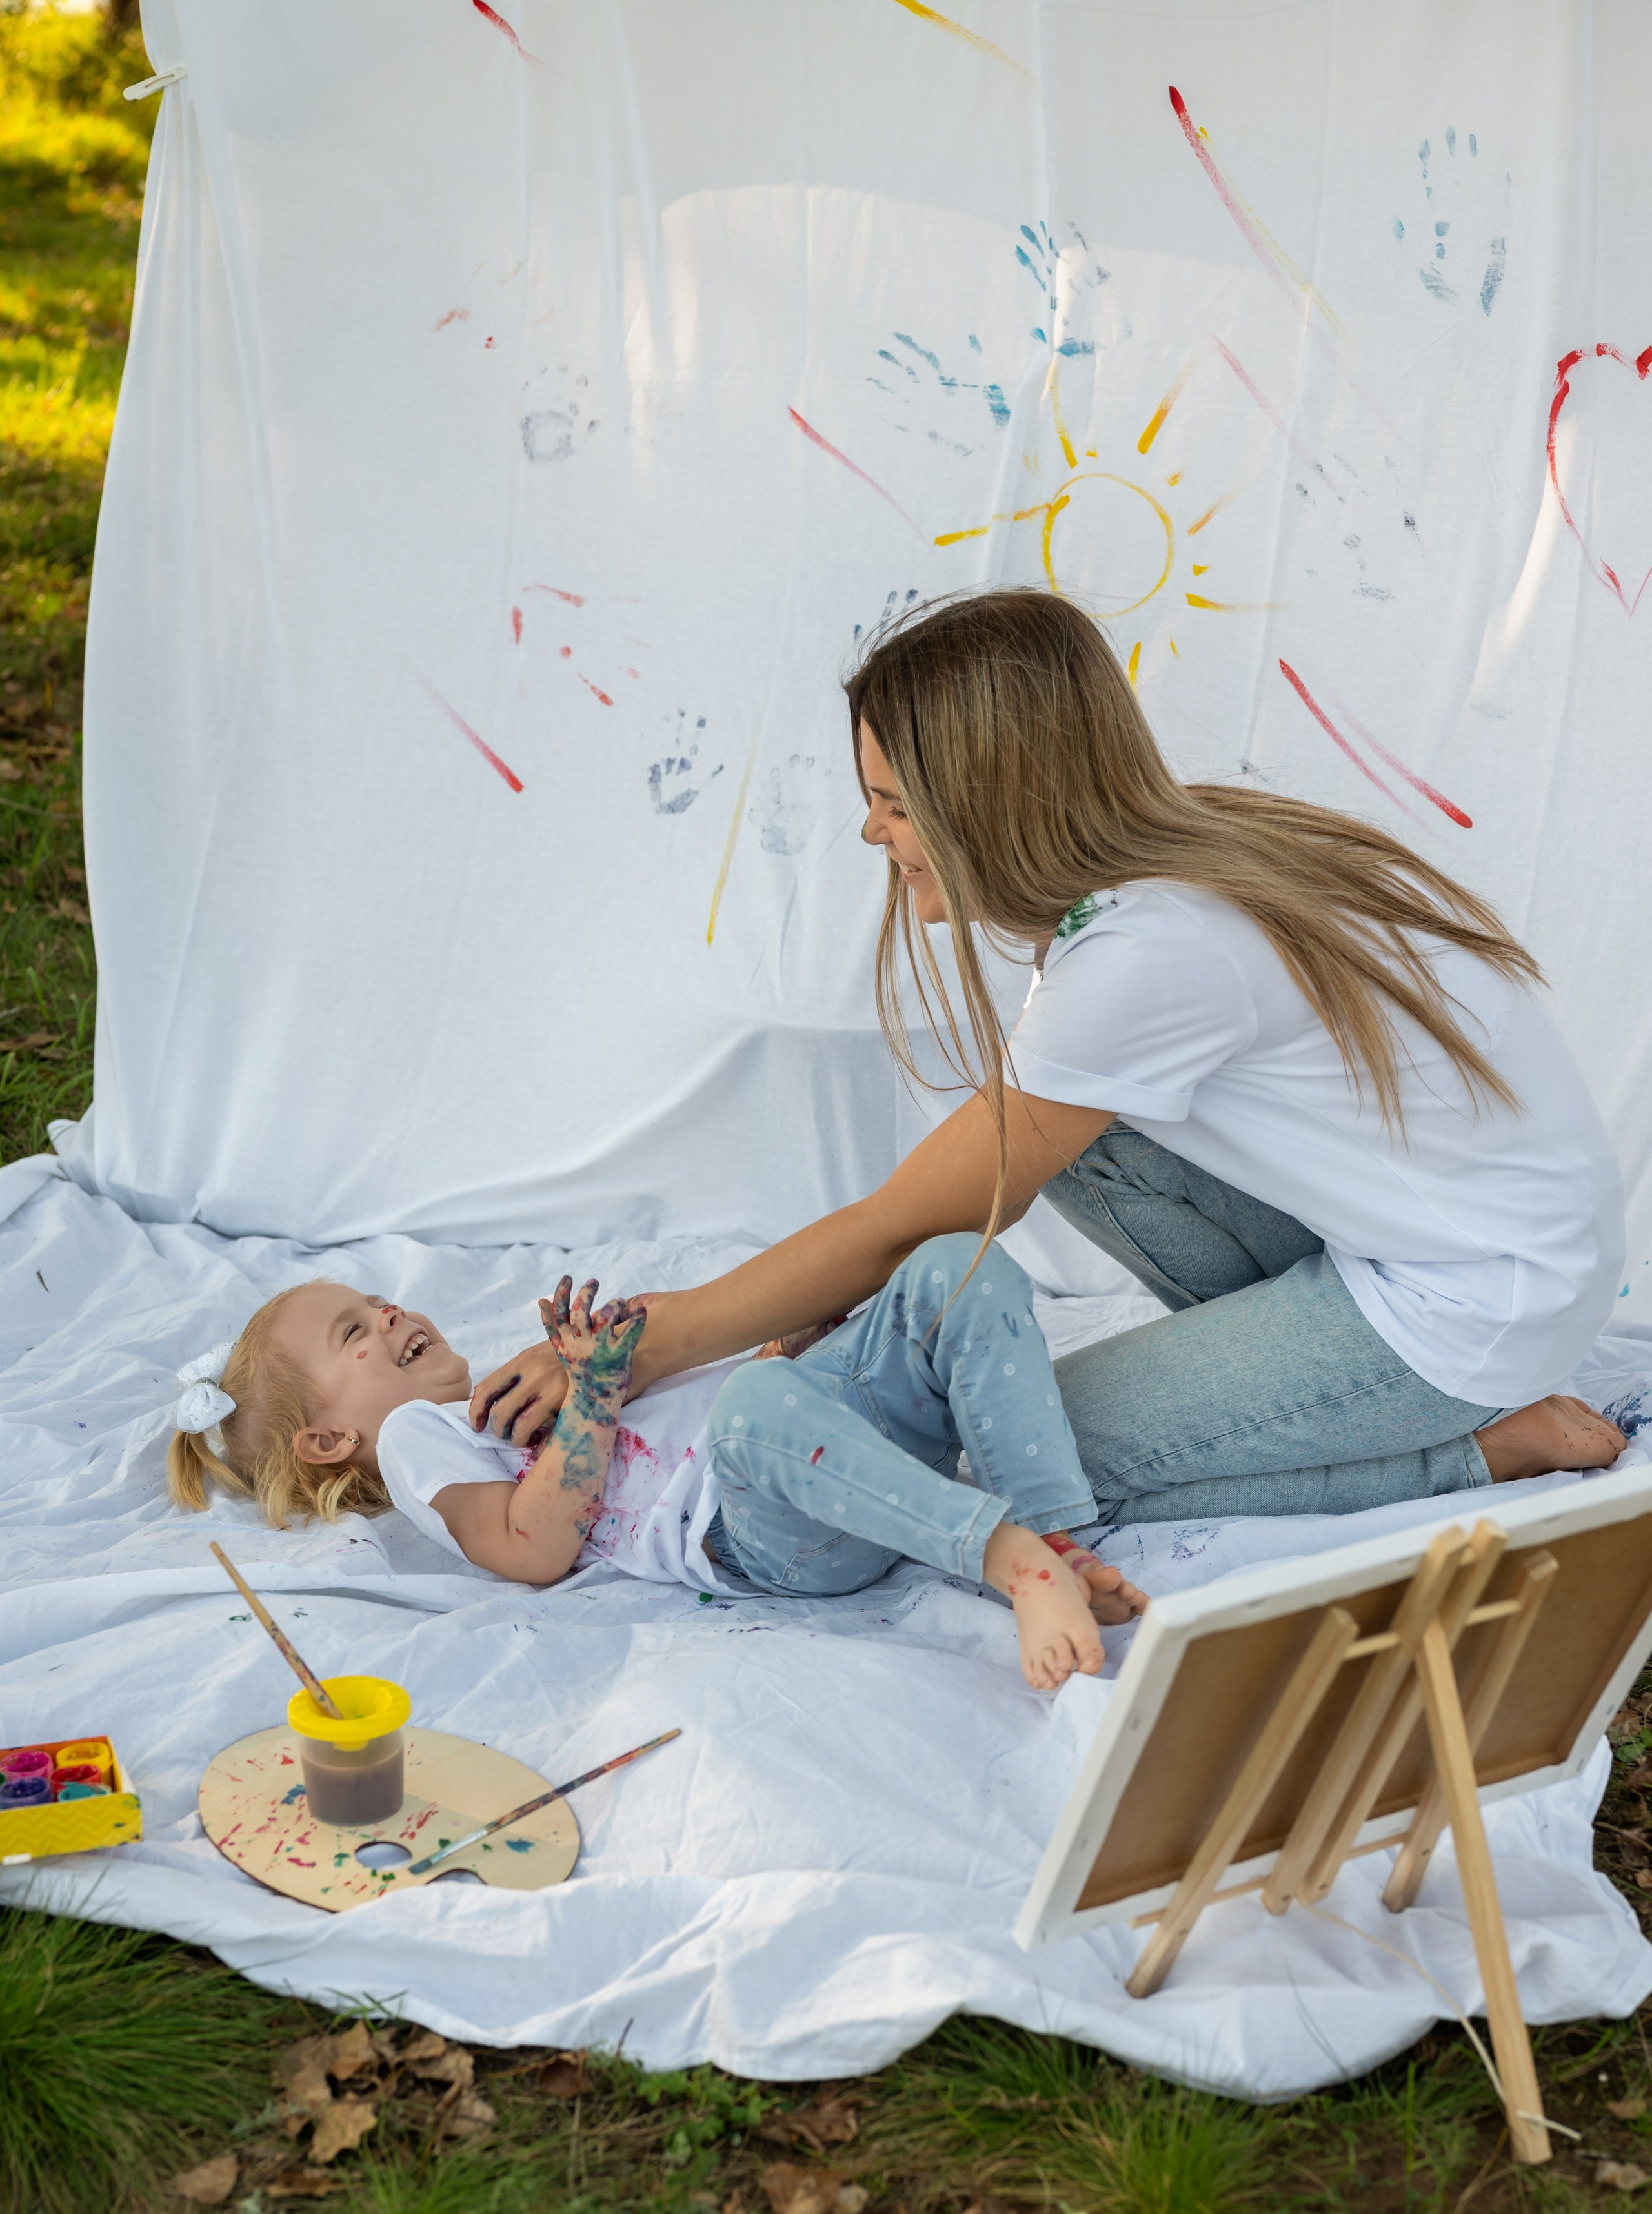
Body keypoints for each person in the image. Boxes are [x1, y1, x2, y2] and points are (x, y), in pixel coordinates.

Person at [474, 589, 1627, 1521]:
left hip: (1476, 1302)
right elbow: (960, 1185)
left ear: (987, 800)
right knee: (1048, 1130)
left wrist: (637, 1348)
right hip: (1461, 1237)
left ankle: (1474, 1448)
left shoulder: (1145, 953)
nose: (873, 835)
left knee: (1016, 1450)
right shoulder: (1159, 866)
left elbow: (899, 1220)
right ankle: (1312, 1381)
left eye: (893, 805)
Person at [165, 1242, 1147, 1692]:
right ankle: (1014, 1558)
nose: (389, 1315)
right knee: (757, 1416)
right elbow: (530, 1547)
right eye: (355, 1331)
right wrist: (595, 1393)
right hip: (758, 1532)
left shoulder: (504, 1395)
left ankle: (1059, 1531)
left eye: (377, 1300)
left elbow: (696, 1407)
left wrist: (787, 1347)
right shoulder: (423, 1444)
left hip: (808, 1443)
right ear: (331, 1442)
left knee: (949, 1267)